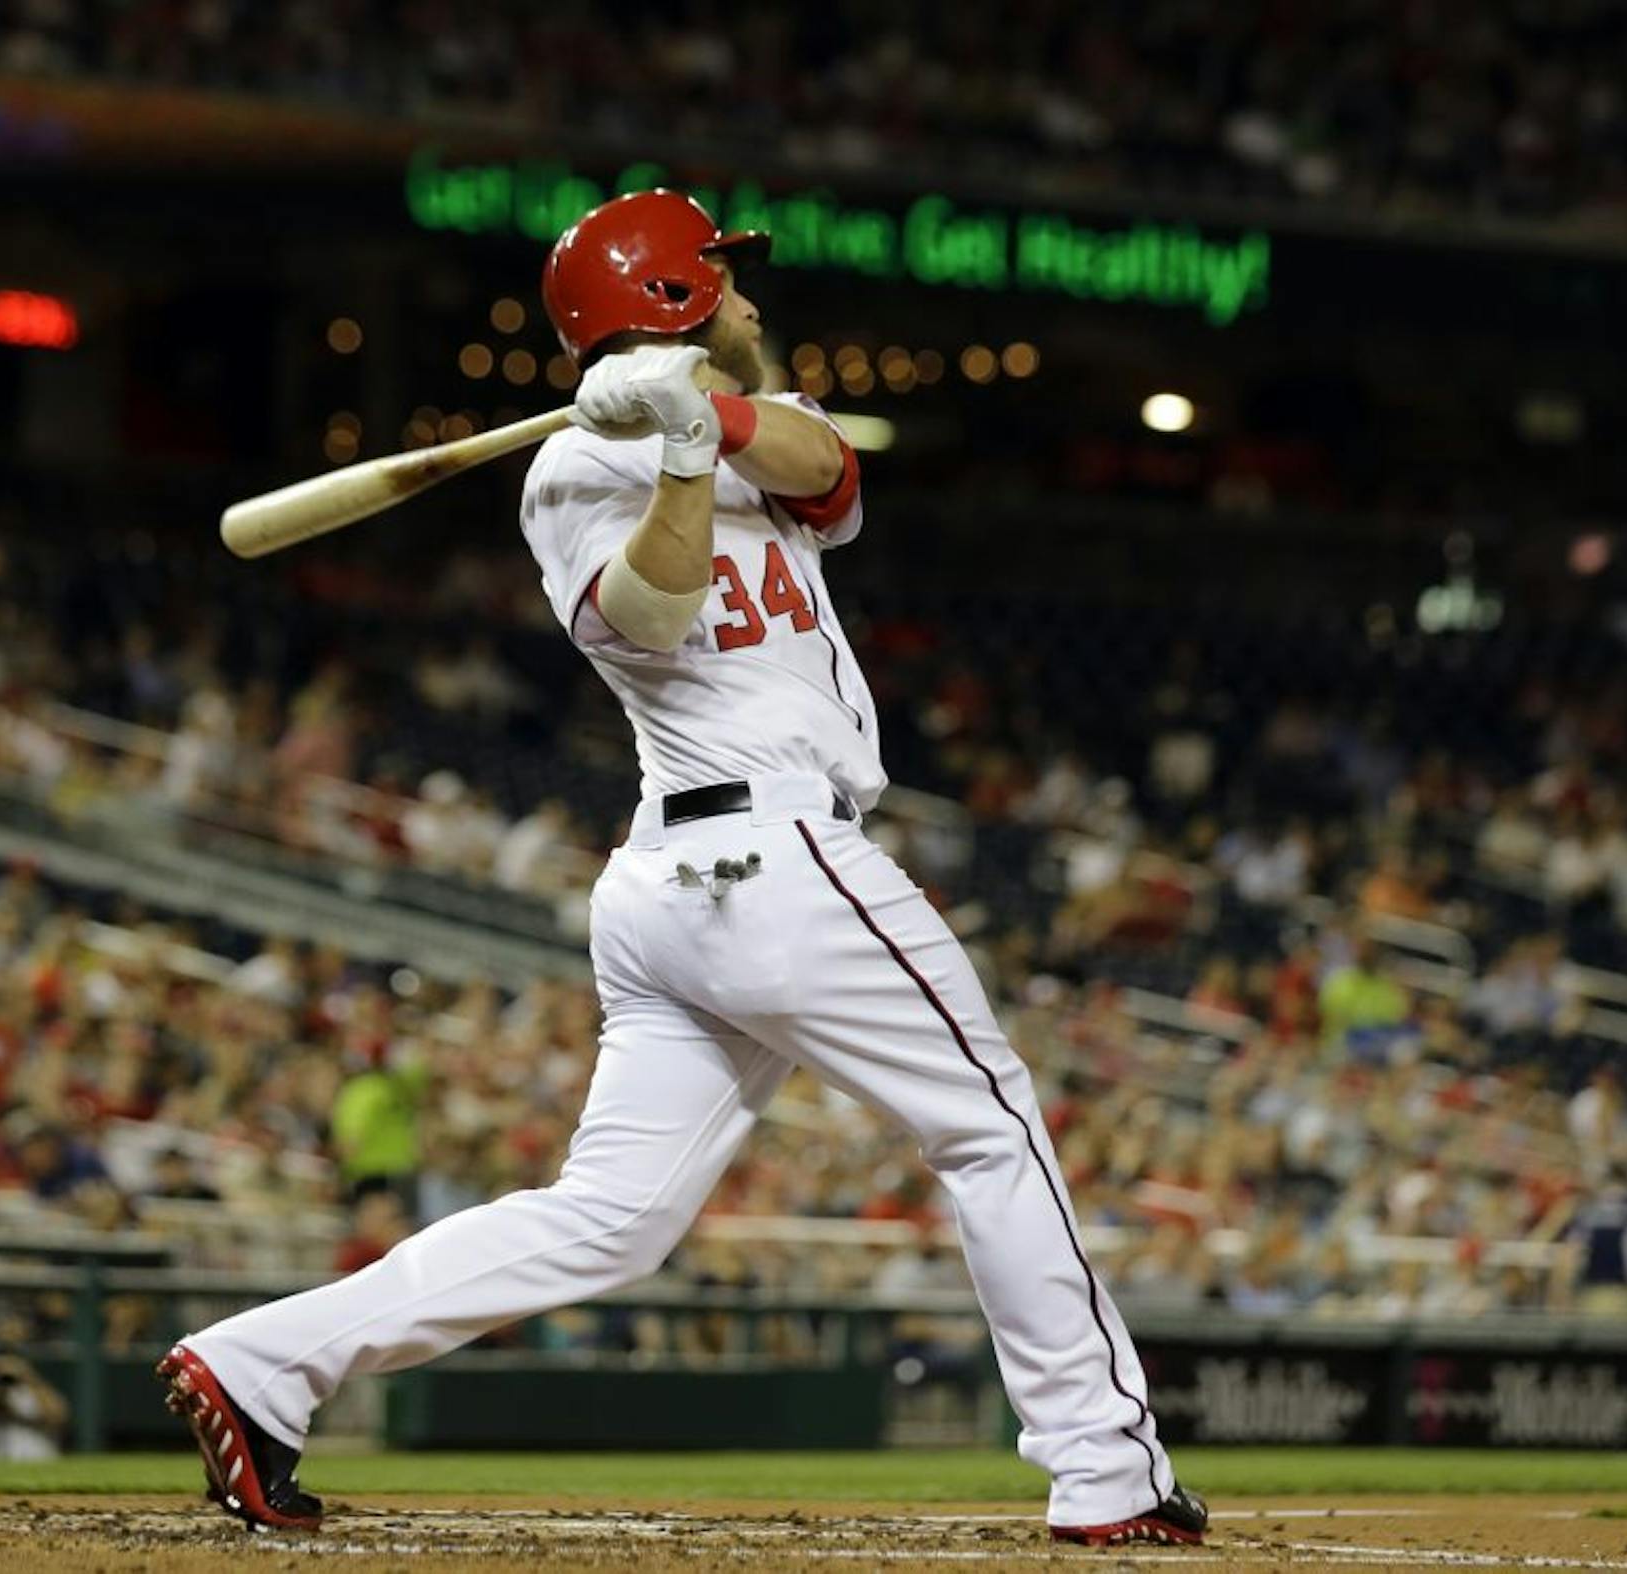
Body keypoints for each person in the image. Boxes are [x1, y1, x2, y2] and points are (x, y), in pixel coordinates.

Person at [159, 190, 1203, 1548]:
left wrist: (699, 416)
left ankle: (258, 1364)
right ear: (670, 296)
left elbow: (836, 482)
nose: (753, 298)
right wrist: (671, 461)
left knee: (611, 1219)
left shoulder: (739, 419)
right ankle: (1108, 1469)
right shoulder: (565, 473)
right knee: (990, 1121)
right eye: (725, 278)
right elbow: (648, 613)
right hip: (763, 856)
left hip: (695, 884)